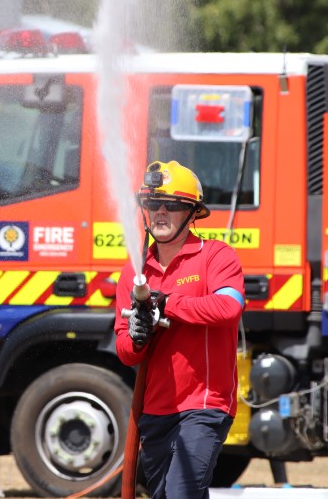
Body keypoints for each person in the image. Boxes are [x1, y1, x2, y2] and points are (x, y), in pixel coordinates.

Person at [114, 161, 245, 499]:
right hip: (156, 410)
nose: (160, 212)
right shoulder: (134, 272)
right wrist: (138, 336)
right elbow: (125, 351)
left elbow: (228, 308)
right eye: (152, 204)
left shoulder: (217, 255)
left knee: (181, 494)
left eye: (171, 205)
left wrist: (168, 303)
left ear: (192, 213)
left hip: (205, 404)